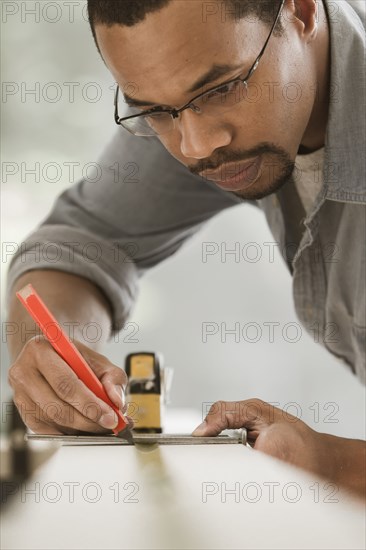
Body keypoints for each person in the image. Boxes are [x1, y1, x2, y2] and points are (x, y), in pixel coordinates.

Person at [6, 0, 365, 498]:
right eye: (152, 111)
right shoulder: (185, 95)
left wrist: (333, 464)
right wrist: (58, 359)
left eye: (221, 89)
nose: (195, 145)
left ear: (300, 12)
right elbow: (81, 241)